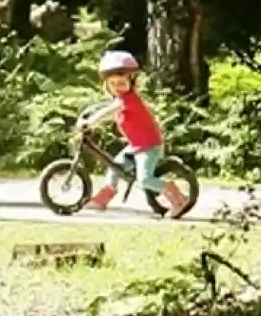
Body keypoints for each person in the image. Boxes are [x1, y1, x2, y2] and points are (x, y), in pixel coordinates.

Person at [78, 49, 189, 217]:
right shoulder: (120, 99)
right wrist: (88, 116)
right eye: (113, 84)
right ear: (106, 84)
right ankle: (104, 198)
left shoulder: (128, 99)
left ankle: (177, 196)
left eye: (121, 83)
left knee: (144, 179)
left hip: (149, 146)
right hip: (136, 145)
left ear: (132, 81)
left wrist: (91, 121)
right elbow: (106, 108)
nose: (117, 88)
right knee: (114, 168)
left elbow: (109, 110)